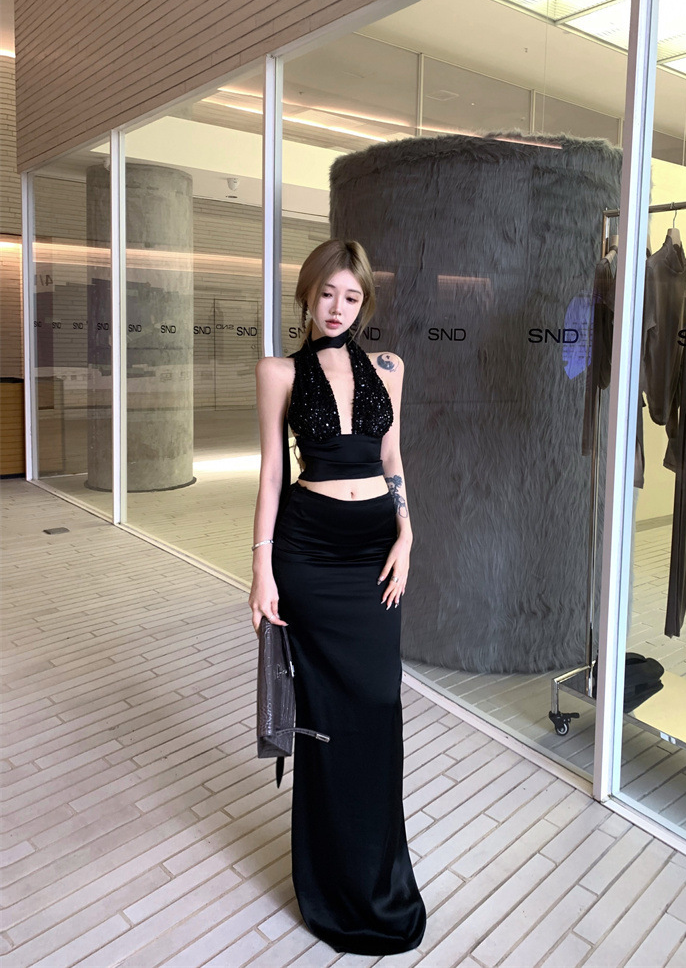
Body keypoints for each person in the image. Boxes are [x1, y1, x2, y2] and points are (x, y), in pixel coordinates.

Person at [248, 238, 426, 956]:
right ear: (307, 292)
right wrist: (261, 570)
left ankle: (378, 877)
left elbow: (392, 457)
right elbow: (270, 474)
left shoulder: (390, 368)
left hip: (374, 551)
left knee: (378, 704)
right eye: (327, 293)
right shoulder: (279, 371)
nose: (337, 307)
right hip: (309, 553)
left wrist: (407, 532)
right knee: (324, 715)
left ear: (364, 303)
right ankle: (329, 883)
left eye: (351, 297)